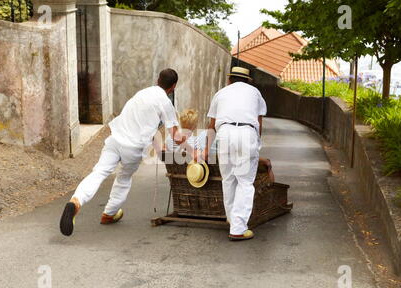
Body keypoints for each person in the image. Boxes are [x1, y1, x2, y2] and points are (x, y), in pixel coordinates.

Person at [60, 68, 185, 236]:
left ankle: (75, 201)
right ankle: (109, 214)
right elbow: (175, 136)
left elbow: (144, 124)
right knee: (124, 177)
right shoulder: (165, 103)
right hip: (133, 148)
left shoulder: (142, 93)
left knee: (99, 172)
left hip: (115, 138)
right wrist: (186, 140)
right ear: (173, 86)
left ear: (157, 80)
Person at [200, 67, 268, 241]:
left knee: (229, 179)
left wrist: (206, 150)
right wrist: (255, 144)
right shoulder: (256, 93)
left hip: (224, 133)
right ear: (247, 80)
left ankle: (232, 219)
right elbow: (259, 123)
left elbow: (211, 124)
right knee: (245, 182)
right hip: (247, 133)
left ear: (230, 80)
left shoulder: (220, 93)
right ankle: (237, 228)